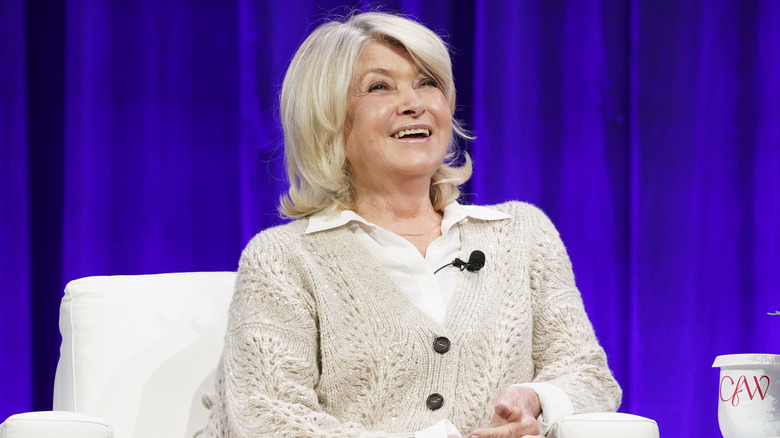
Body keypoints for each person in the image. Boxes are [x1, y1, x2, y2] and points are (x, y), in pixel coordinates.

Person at [203, 11, 621, 438]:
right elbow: (268, 419)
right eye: (379, 87)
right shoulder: (284, 259)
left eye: (428, 83)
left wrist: (534, 399)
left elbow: (588, 376)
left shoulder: (523, 234)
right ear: (328, 116)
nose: (414, 103)